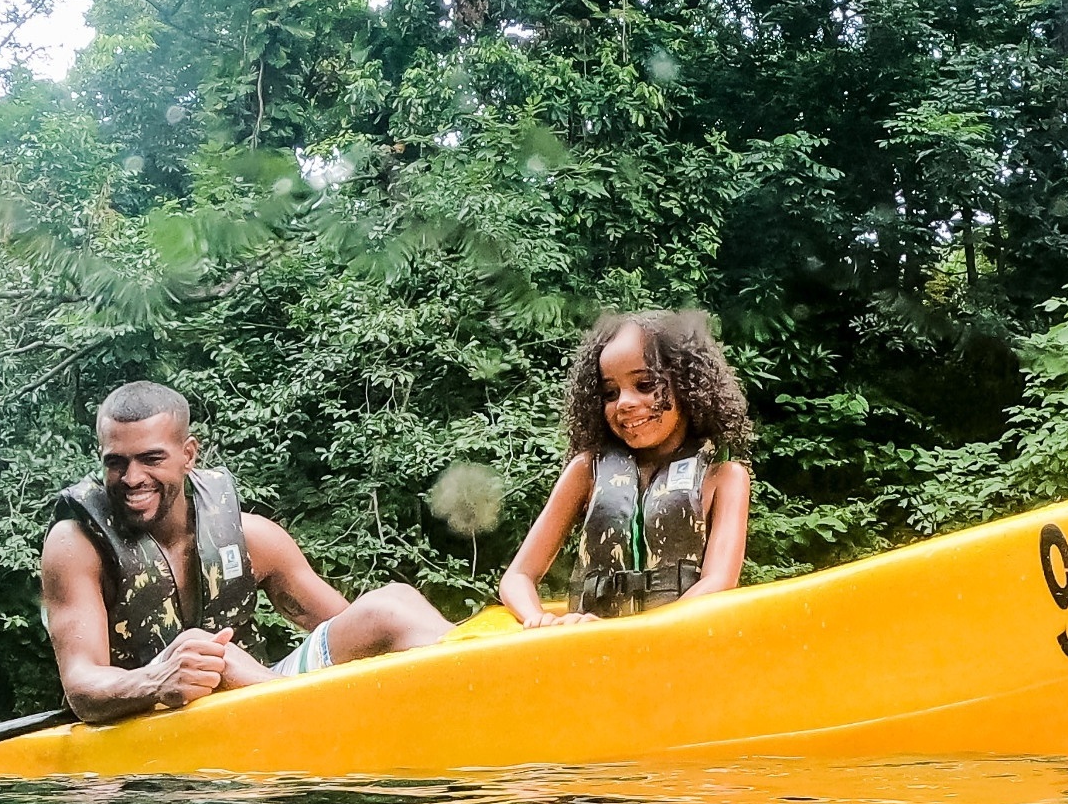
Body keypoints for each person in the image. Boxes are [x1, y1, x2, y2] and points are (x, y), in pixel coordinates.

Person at [42, 382, 450, 723]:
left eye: (151, 459)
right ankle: (307, 711)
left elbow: (347, 633)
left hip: (259, 700)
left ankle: (476, 685)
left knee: (392, 604)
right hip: (149, 722)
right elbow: (81, 687)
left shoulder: (253, 538)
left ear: (188, 455)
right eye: (116, 463)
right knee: (217, 661)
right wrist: (156, 680)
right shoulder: (76, 546)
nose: (132, 478)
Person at [499, 309, 752, 627]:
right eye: (610, 393)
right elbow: (518, 576)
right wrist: (539, 619)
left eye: (645, 385)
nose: (624, 403)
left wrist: (639, 635)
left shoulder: (725, 477)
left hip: (678, 648)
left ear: (688, 385)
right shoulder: (586, 470)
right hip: (593, 648)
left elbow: (719, 583)